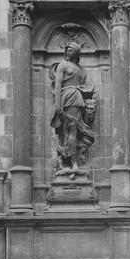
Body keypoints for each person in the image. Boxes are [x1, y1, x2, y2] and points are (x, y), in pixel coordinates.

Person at [50, 42, 96, 174]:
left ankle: (70, 161)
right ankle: (72, 163)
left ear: (76, 51)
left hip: (77, 99)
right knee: (69, 131)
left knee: (73, 130)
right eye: (67, 50)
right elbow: (58, 85)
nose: (67, 51)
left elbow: (81, 86)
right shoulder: (63, 65)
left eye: (70, 49)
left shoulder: (81, 69)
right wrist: (58, 105)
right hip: (67, 98)